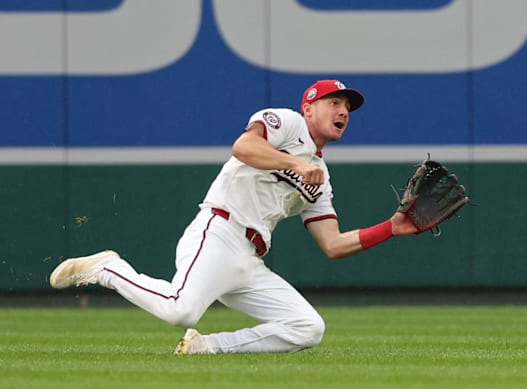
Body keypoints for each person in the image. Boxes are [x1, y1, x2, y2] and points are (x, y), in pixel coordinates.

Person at [49, 79, 420, 354]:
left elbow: (333, 244)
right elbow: (243, 147)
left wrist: (392, 227)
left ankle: (205, 348)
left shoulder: (321, 180)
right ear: (308, 108)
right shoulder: (288, 123)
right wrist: (294, 162)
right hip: (219, 231)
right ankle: (106, 269)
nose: (342, 112)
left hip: (249, 260)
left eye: (347, 109)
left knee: (308, 327)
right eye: (334, 102)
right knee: (181, 311)